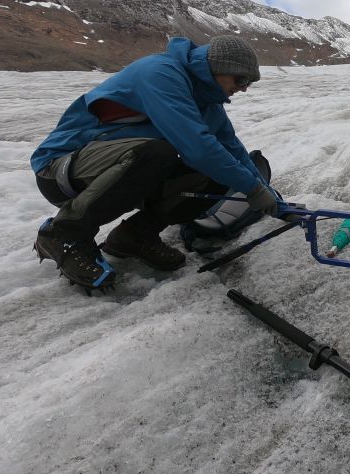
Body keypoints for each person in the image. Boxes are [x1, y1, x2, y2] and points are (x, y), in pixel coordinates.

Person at [31, 35, 285, 291]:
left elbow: (233, 151)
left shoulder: (208, 104)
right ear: (219, 68)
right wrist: (252, 190)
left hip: (116, 167)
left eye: (248, 83)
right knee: (159, 152)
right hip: (61, 168)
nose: (244, 88)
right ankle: (64, 233)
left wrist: (270, 197)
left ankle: (135, 236)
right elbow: (198, 147)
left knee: (214, 175)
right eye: (241, 80)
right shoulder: (160, 73)